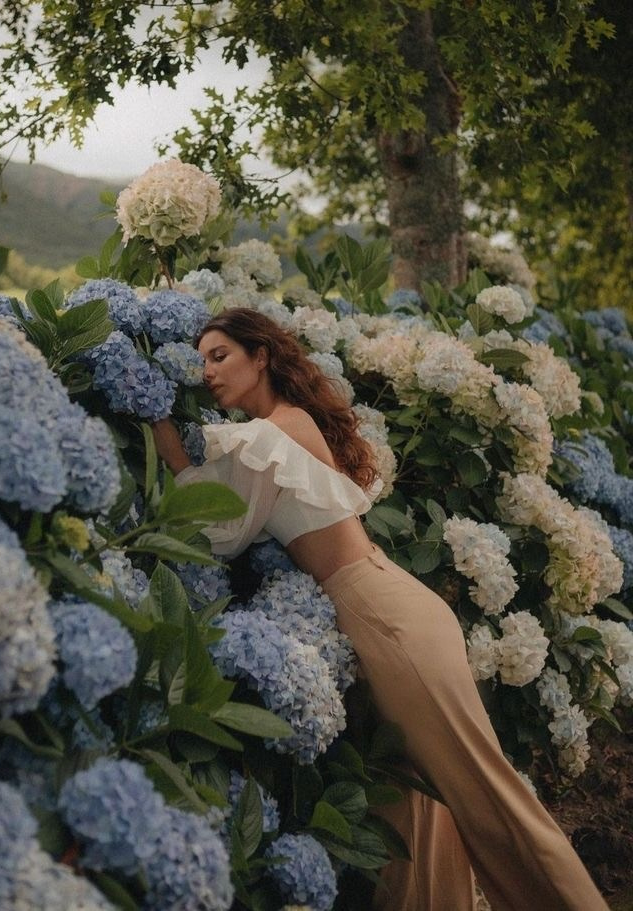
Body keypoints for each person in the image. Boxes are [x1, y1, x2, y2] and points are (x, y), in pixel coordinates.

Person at [150, 307, 609, 911]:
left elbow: (219, 529)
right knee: (414, 805)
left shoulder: (274, 433)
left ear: (260, 357)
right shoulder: (280, 426)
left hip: (383, 614)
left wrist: (159, 423)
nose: (207, 371)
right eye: (201, 360)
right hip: (382, 603)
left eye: (220, 356)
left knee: (483, 793)